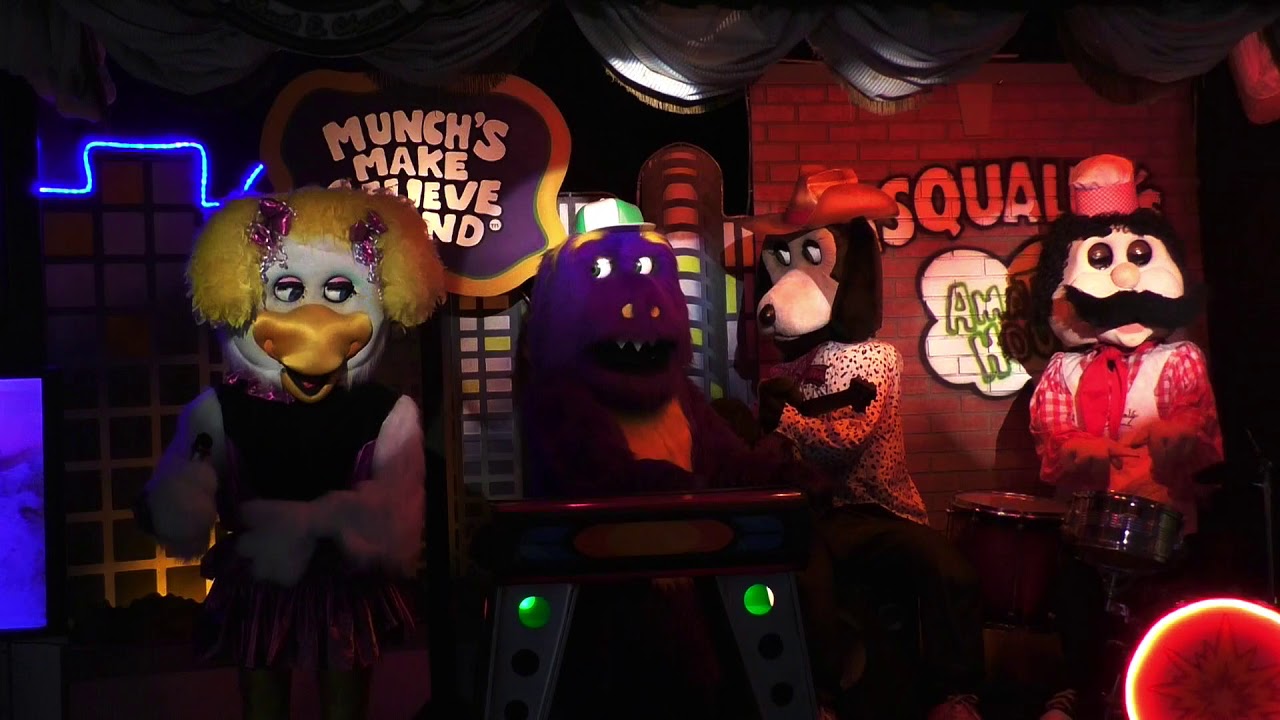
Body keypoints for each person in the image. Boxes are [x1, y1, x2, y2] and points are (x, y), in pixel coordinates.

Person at [748, 168, 987, 720]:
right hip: (815, 514)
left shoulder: (873, 358)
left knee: (949, 570)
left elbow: (843, 442)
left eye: (813, 256)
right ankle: (820, 695)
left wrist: (785, 418)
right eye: (782, 262)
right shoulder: (784, 369)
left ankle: (956, 693)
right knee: (805, 582)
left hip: (878, 511)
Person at [1027, 154, 1224, 719]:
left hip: (1165, 529)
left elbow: (1197, 422)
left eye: (1140, 258)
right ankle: (1079, 690)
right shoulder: (1064, 371)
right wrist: (1079, 449)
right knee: (1077, 607)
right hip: (1085, 527)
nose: (1125, 279)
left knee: (1156, 621)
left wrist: (1179, 436)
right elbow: (1053, 437)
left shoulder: (1179, 359)